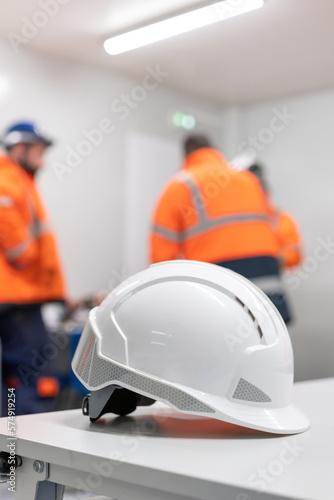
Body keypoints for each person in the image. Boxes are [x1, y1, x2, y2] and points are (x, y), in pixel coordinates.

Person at [150, 134, 292, 323]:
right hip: (265, 274)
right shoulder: (248, 179)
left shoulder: (180, 185)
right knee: (271, 337)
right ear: (215, 149)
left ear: (185, 155)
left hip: (218, 278)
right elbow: (272, 223)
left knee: (220, 340)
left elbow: (162, 254)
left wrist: (165, 292)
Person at [0, 121, 65, 416]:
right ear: (19, 148)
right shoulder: (7, 179)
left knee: (13, 383)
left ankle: (10, 457)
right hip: (19, 298)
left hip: (20, 296)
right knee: (33, 378)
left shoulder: (19, 180)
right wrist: (26, 254)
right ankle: (27, 457)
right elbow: (19, 247)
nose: (43, 158)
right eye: (39, 150)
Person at [248, 163, 303, 270]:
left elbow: (294, 254)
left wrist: (275, 259)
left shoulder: (279, 218)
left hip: (269, 277)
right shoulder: (238, 220)